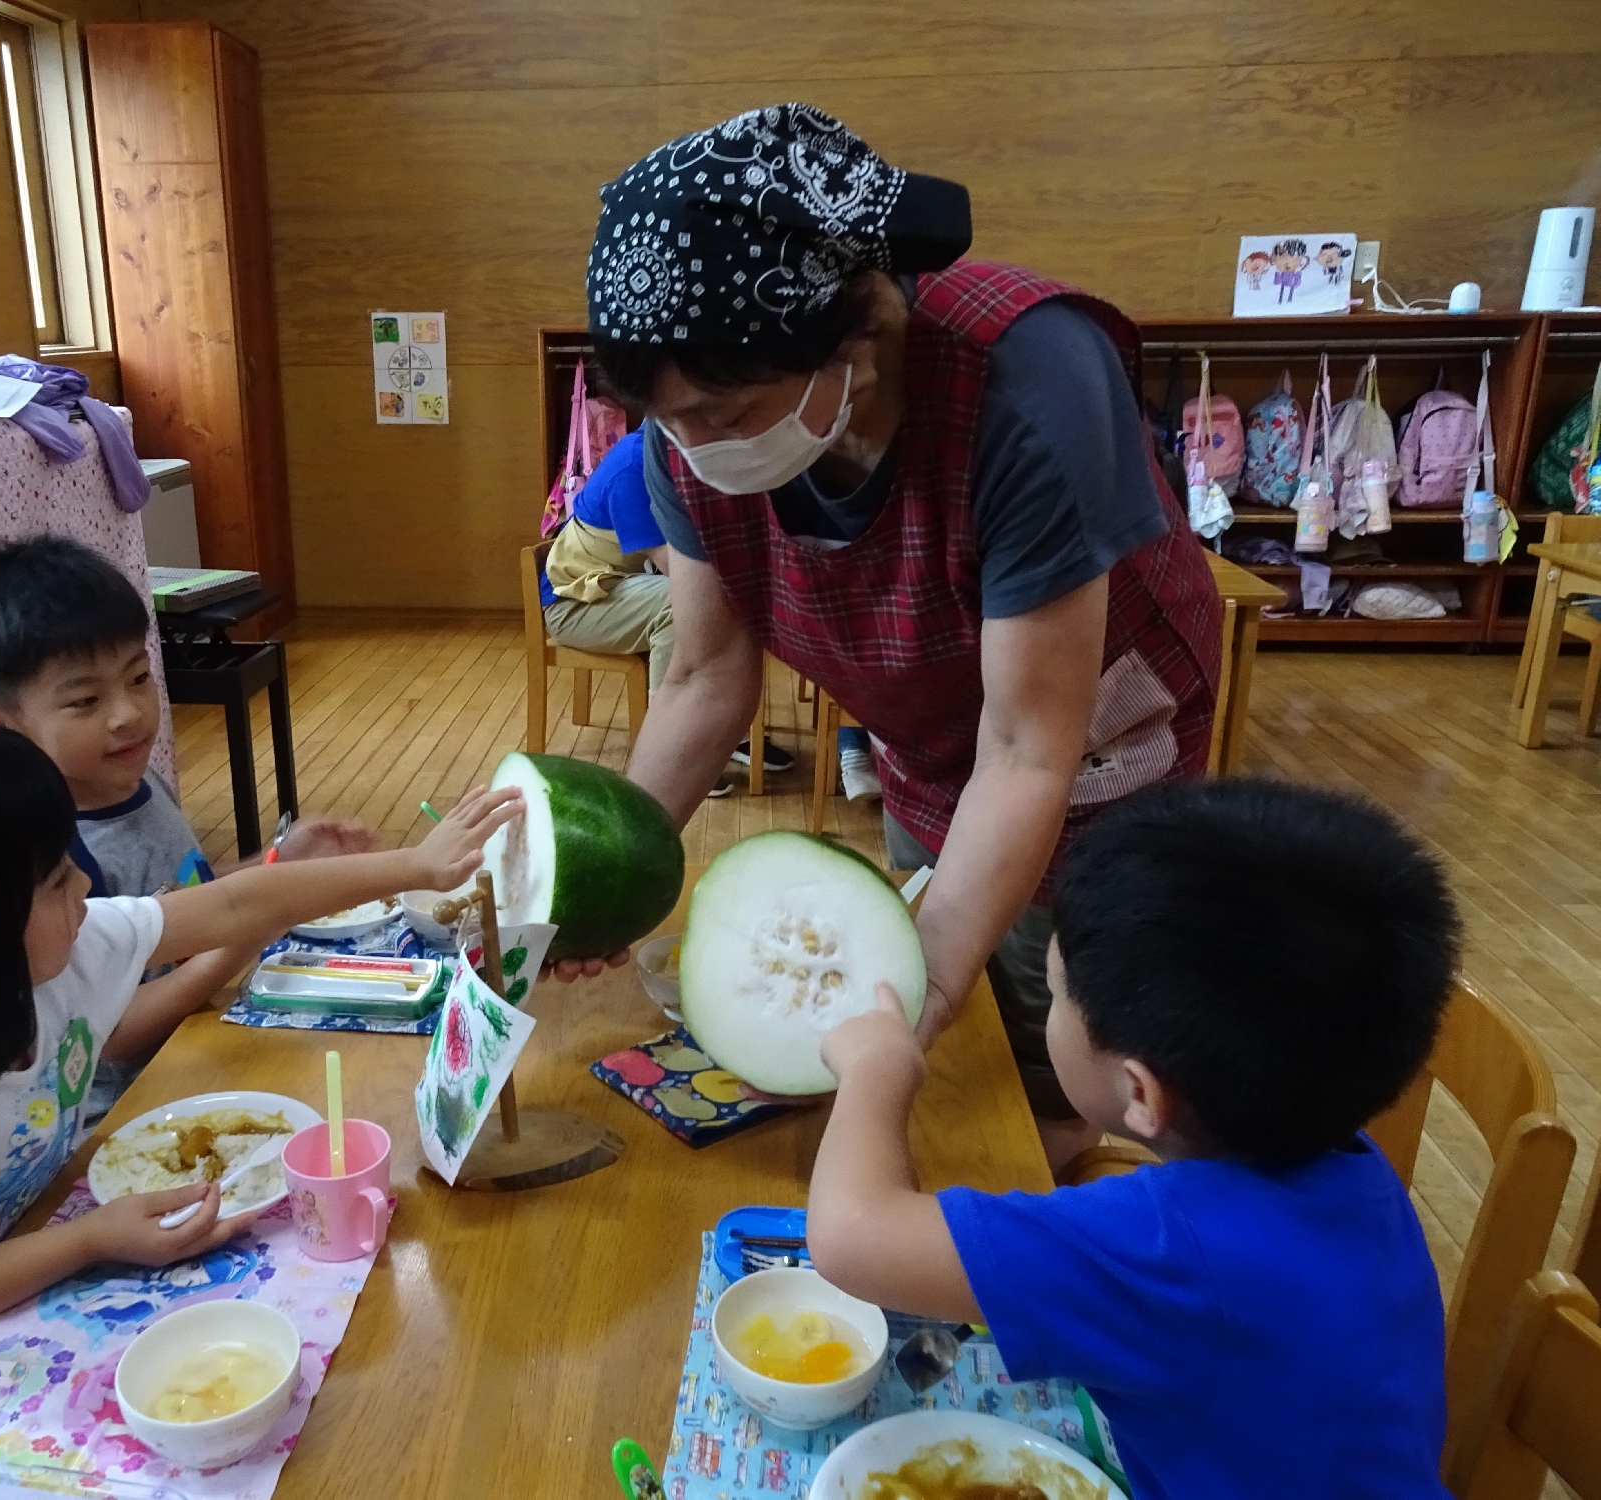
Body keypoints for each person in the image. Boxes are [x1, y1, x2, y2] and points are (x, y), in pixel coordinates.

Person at [569, 104, 1223, 1167]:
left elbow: (1025, 747)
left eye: (724, 418)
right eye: (664, 421)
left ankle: (1057, 1212)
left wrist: (926, 979)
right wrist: (604, 879)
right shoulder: (689, 436)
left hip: (1092, 725)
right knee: (960, 1028)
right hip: (927, 730)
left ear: (857, 337)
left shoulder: (1028, 380)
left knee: (1068, 1025)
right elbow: (700, 677)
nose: (689, 453)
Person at [0, 715, 519, 1498]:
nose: (84, 886)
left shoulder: (49, 955)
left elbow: (240, 907)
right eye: (52, 879)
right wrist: (86, 1243)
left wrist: (414, 864)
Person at [807, 779, 1455, 1500]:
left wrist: (877, 1070)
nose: (1052, 1005)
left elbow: (850, 1233)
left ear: (1141, 1093)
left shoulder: (1166, 1253)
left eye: (1056, 994)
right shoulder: (1357, 1172)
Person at [0, 536, 378, 1127]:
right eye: (85, 700)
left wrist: (277, 861)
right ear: (0, 727)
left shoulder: (136, 781)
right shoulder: (45, 858)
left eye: (138, 678)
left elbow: (183, 896)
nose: (128, 714)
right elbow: (108, 1034)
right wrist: (243, 935)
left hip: (196, 1039)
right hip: (122, 1112)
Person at [540, 429, 792, 783]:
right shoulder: (634, 466)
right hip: (573, 605)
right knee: (681, 605)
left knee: (714, 605)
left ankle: (726, 733)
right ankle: (679, 742)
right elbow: (676, 568)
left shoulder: (675, 456)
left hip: (612, 587)